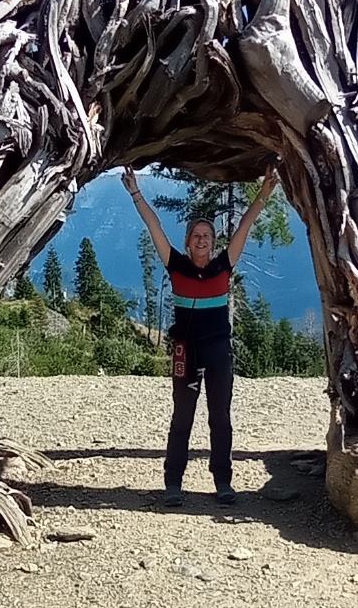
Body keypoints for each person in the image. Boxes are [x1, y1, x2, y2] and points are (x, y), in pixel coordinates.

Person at [122, 164, 279, 507]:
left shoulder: (225, 264)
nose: (202, 240)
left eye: (207, 235)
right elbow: (154, 226)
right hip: (186, 351)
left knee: (220, 417)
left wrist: (264, 194)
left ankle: (223, 482)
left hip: (218, 349)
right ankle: (173, 483)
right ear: (188, 243)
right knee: (183, 417)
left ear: (214, 241)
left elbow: (245, 224)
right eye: (196, 236)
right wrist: (136, 192)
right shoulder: (175, 265)